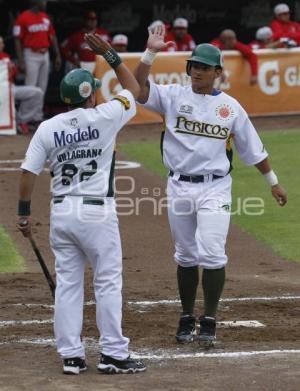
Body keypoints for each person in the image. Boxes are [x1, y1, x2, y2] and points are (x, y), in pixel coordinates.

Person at [134, 25, 287, 347]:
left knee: (213, 252)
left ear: (218, 71)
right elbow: (137, 88)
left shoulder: (230, 108)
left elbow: (254, 150)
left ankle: (211, 319)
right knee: (186, 255)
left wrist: (272, 183)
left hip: (215, 188)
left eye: (204, 67)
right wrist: (150, 53)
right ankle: (187, 316)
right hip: (178, 186)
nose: (197, 72)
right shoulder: (173, 95)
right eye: (193, 66)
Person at [17, 33, 146, 375]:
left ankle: (72, 356)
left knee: (69, 286)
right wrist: (113, 58)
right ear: (90, 93)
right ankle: (113, 353)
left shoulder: (48, 127)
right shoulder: (106, 115)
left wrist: (24, 213)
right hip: (96, 213)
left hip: (61, 213)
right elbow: (133, 89)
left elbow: (28, 172)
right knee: (106, 282)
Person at [13, 0, 61, 99]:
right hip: (31, 54)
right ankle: (25, 114)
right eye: (43, 1)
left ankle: (38, 114)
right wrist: (21, 60)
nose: (45, 3)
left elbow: (52, 36)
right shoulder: (23, 17)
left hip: (45, 54)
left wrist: (57, 55)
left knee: (42, 87)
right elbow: (17, 39)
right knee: (30, 87)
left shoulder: (45, 17)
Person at [0, 35, 43, 134]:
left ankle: (21, 121)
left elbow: (14, 73)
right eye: (1, 43)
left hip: (10, 87)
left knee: (37, 92)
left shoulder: (6, 56)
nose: (3, 45)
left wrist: (13, 69)